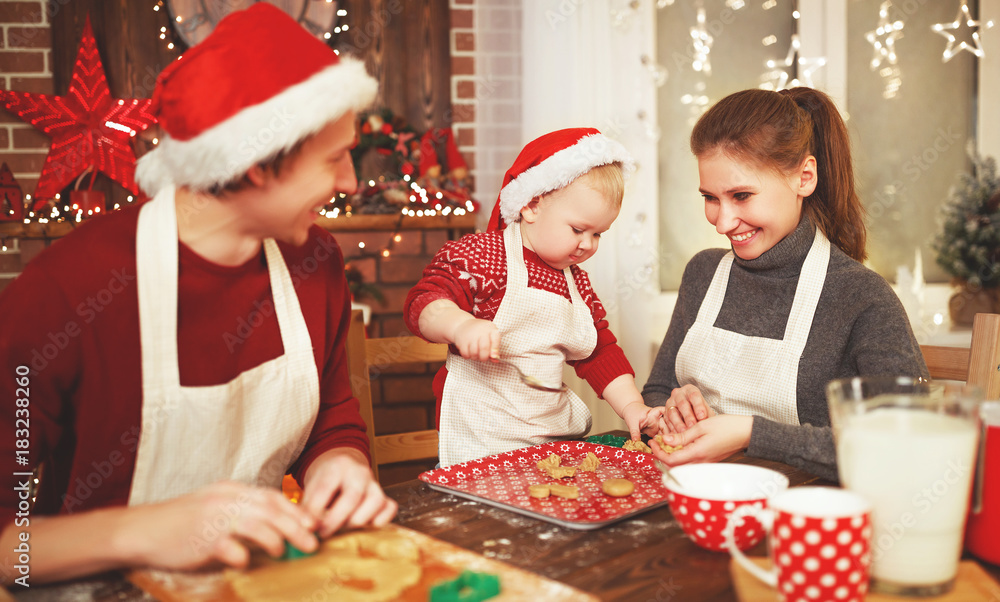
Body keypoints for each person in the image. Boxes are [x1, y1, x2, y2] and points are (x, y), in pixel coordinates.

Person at [0, 4, 395, 584]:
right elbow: (12, 550)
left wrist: (342, 465)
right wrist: (145, 531)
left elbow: (332, 420)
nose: (351, 185)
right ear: (258, 165)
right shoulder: (67, 291)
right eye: (335, 159)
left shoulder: (316, 261)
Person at [643, 88, 927, 482]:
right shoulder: (703, 273)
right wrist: (671, 408)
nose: (722, 222)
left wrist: (748, 433)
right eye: (710, 198)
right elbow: (656, 391)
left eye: (741, 195)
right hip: (697, 501)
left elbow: (902, 446)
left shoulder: (860, 297)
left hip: (803, 520)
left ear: (804, 177)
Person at [404, 128, 665, 467]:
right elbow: (423, 302)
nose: (588, 243)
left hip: (547, 441)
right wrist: (459, 325)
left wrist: (632, 406)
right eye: (577, 229)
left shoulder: (577, 285)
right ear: (531, 206)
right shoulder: (484, 257)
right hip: (481, 438)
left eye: (598, 233)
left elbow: (599, 352)